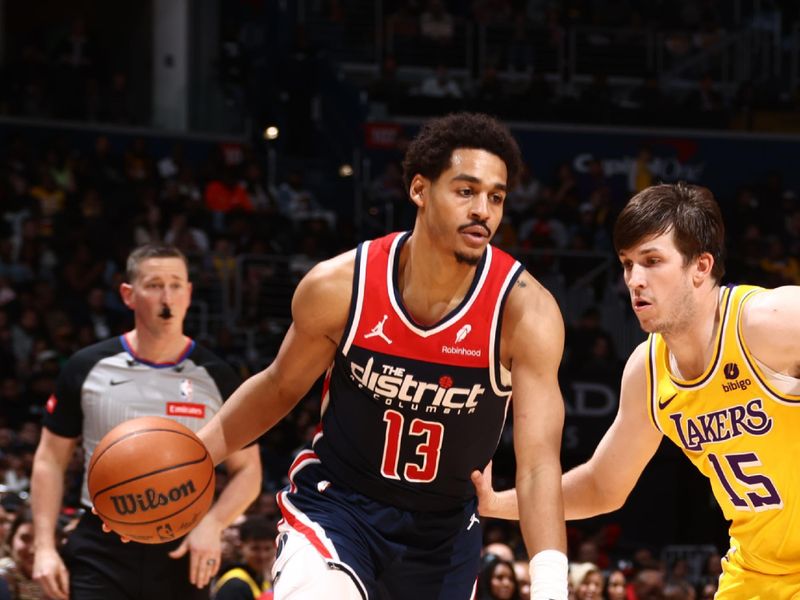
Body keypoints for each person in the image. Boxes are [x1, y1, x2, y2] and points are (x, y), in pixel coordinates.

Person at [197, 112, 569, 599]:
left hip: (444, 534)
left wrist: (550, 587)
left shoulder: (525, 311)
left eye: (495, 197)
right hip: (338, 507)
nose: (483, 210)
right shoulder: (341, 286)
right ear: (419, 189)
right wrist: (193, 456)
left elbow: (539, 464)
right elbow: (280, 386)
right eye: (466, 191)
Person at [473, 182, 800, 598]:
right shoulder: (647, 370)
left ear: (701, 266)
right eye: (627, 264)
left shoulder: (773, 321)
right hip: (756, 573)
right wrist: (498, 503)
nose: (634, 280)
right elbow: (602, 486)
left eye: (652, 261)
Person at [30, 243, 262, 600]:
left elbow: (249, 470)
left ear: (188, 294)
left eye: (175, 284)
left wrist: (214, 525)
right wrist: (44, 546)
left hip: (183, 539)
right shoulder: (86, 366)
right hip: (102, 538)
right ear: (128, 294)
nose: (165, 294)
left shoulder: (219, 375)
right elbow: (49, 458)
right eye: (154, 284)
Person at [213, 516, 276, 599]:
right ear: (241, 547)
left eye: (267, 548)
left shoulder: (262, 581)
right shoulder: (235, 585)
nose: (262, 555)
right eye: (255, 548)